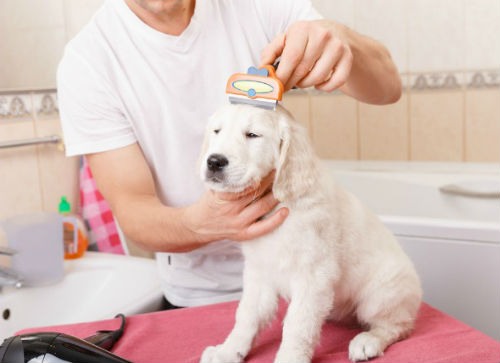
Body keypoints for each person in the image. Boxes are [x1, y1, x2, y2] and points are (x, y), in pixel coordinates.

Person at [57, 0, 402, 308]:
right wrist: (202, 225)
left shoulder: (258, 6)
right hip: (205, 295)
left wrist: (339, 38)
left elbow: (388, 87)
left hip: (312, 274)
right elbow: (133, 209)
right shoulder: (88, 61)